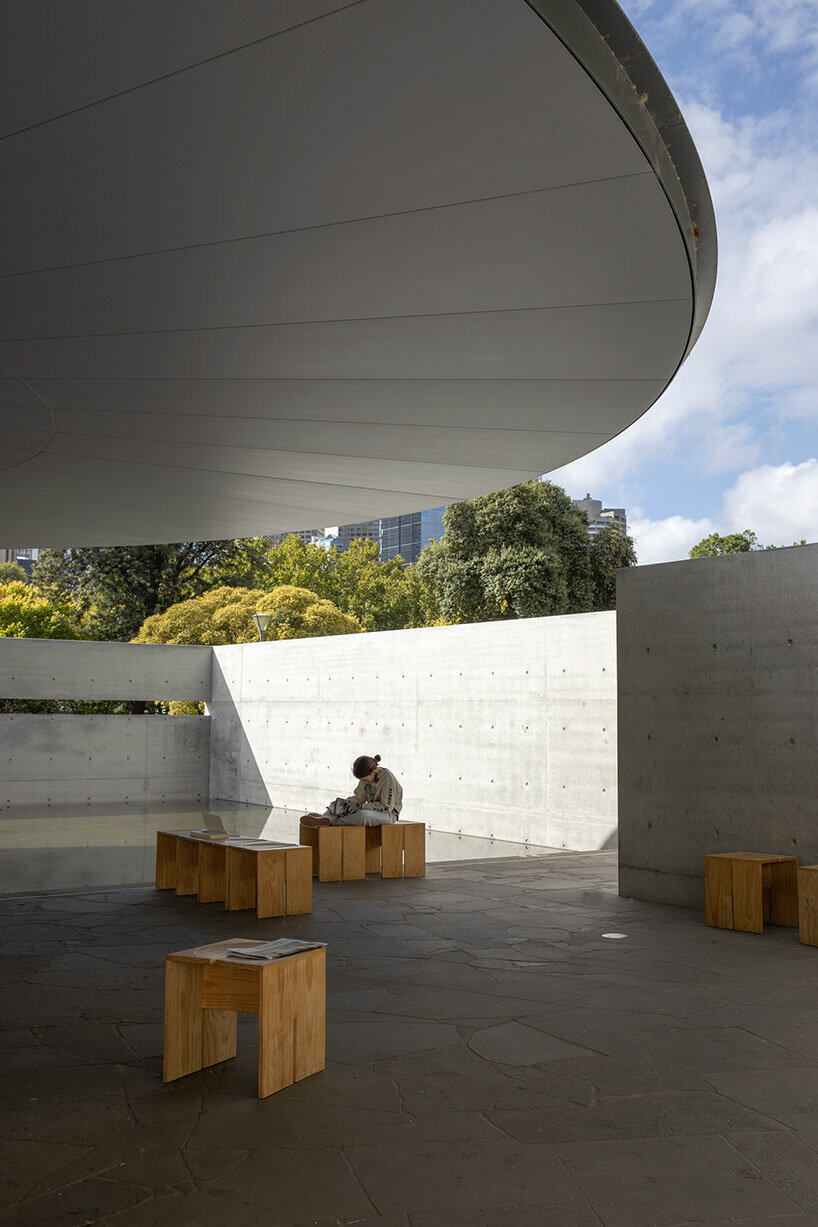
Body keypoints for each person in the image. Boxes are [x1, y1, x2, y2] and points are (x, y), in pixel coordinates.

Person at [301, 754, 403, 827]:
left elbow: (386, 808)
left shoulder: (388, 780)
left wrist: (361, 807)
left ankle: (330, 821)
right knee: (339, 805)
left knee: (363, 816)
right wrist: (346, 804)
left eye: (365, 780)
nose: (364, 782)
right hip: (369, 808)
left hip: (388, 814)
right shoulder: (367, 776)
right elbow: (359, 797)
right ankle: (324, 819)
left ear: (374, 772)